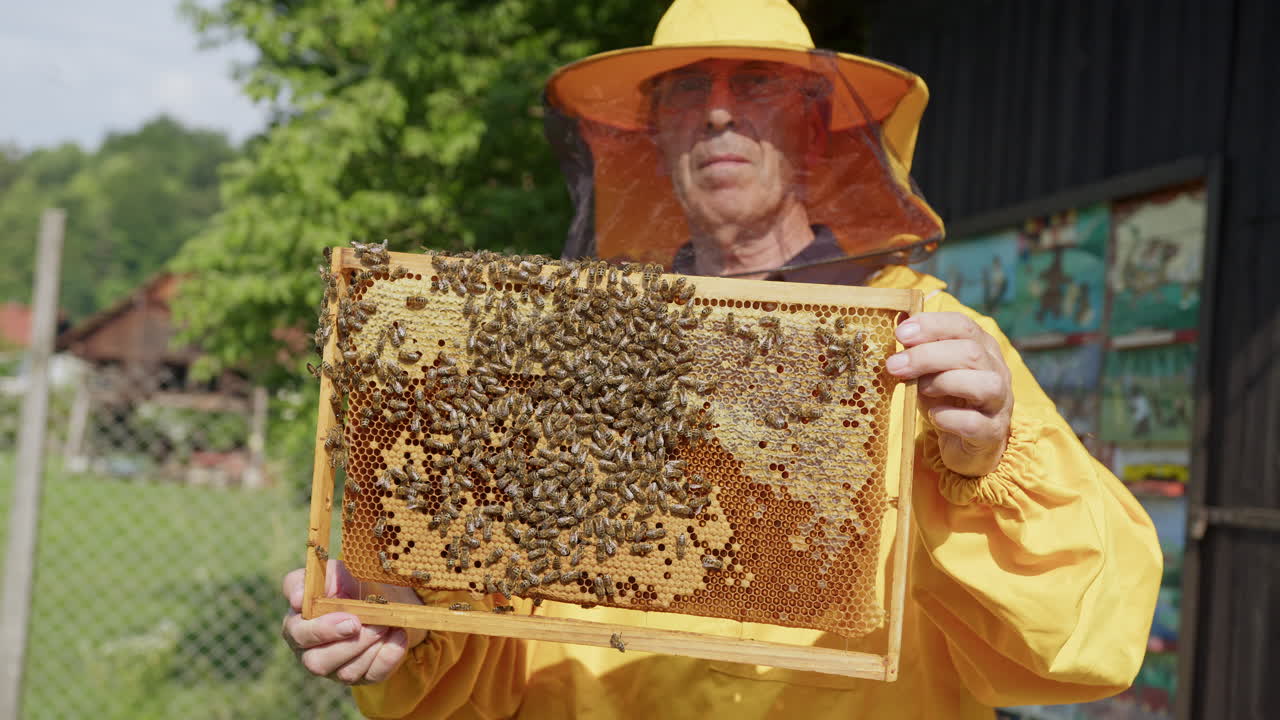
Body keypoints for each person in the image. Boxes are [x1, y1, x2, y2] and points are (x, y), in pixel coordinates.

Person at [280, 1, 1163, 717]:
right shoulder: (576, 349)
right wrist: (407, 629)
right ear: (655, 140)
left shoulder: (927, 338)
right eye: (685, 91)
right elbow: (502, 674)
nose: (717, 109)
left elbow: (1082, 640)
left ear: (817, 132)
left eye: (759, 86)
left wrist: (987, 458)